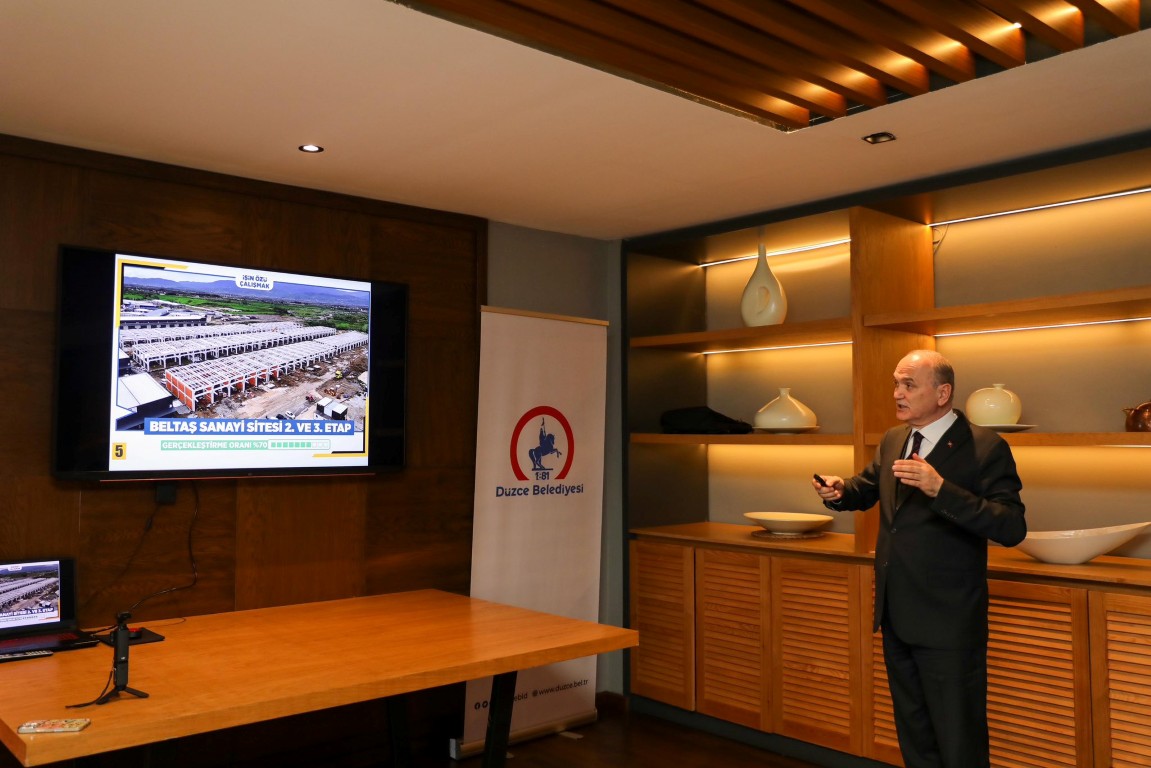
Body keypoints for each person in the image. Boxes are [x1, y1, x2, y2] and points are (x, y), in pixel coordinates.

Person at [813, 349, 1026, 768]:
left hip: (949, 622)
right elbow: (866, 487)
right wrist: (839, 491)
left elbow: (1011, 526)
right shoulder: (895, 438)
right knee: (915, 736)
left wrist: (940, 490)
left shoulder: (985, 446)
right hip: (897, 614)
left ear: (943, 393)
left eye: (909, 385)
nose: (897, 393)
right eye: (896, 384)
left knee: (958, 740)